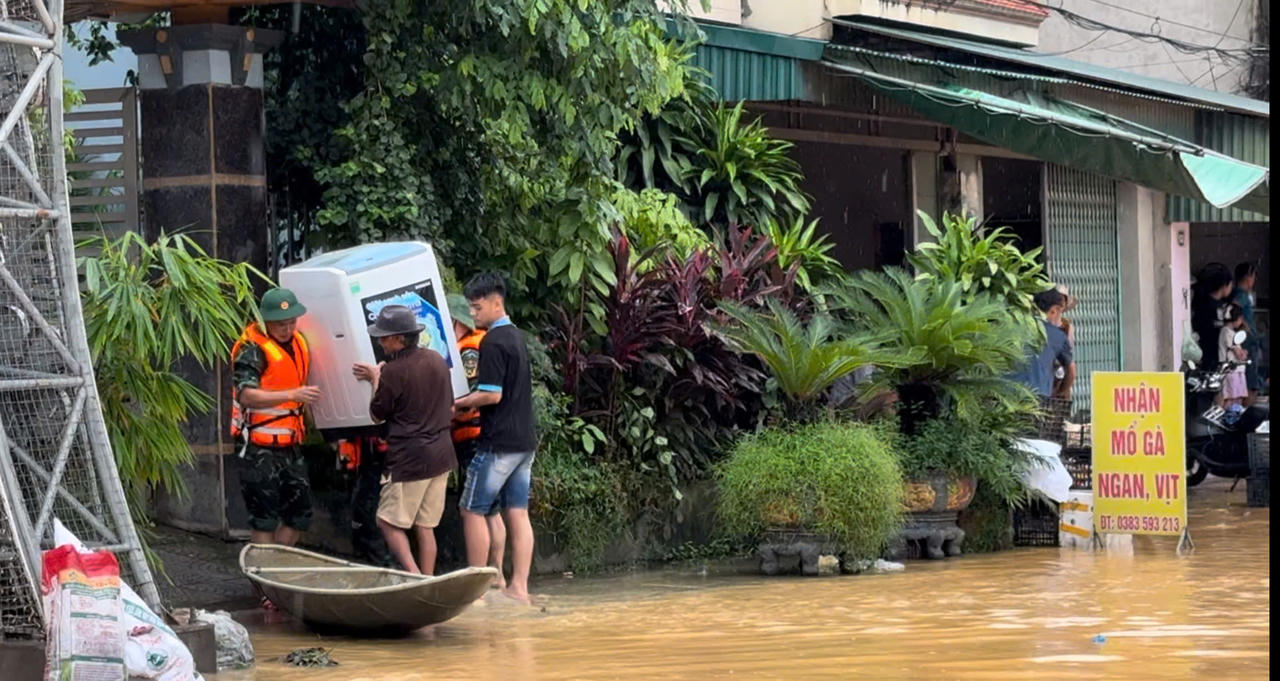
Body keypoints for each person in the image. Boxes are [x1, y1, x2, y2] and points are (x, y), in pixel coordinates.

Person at [353, 305, 457, 575]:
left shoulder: (394, 371)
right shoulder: (436, 359)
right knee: (425, 526)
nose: (380, 341)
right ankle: (429, 578)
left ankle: (414, 576)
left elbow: (377, 415)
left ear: (400, 338)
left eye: (385, 337)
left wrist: (376, 378)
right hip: (442, 453)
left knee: (387, 521)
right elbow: (450, 405)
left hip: (410, 459)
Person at [454, 273, 538, 604]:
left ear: (495, 302)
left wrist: (459, 403)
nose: (472, 315)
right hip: (524, 442)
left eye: (476, 308)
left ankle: (473, 591)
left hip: (499, 442)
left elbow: (491, 395)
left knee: (471, 510)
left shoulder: (492, 341)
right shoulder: (516, 336)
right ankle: (519, 587)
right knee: (517, 512)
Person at [230, 288, 320, 549]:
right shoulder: (252, 349)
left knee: (301, 515)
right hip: (258, 448)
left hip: (291, 445)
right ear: (265, 321)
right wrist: (292, 394)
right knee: (264, 520)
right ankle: (262, 585)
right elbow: (246, 395)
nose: (287, 328)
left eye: (291, 322)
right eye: (280, 324)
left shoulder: (299, 342)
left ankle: (275, 568)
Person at [449, 293, 508, 590]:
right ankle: (497, 574)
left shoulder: (469, 350)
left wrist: (452, 409)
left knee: (476, 508)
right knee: (492, 508)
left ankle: (484, 575)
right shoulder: (485, 342)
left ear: (457, 321)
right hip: (485, 437)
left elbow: (471, 394)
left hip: (473, 436)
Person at [1011, 288, 1076, 402]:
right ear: (1054, 310)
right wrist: (1060, 391)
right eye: (1060, 311)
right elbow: (1071, 371)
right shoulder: (1057, 335)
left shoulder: (1012, 326)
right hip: (1037, 399)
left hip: (1003, 395)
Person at [1190, 262, 1235, 372]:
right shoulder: (1204, 304)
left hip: (1212, 354)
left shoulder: (1212, 304)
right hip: (1208, 355)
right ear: (1225, 285)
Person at [1232, 263, 1262, 405]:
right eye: (1254, 276)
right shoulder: (1241, 295)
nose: (1254, 280)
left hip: (1247, 343)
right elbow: (1234, 306)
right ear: (1249, 277)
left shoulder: (1238, 293)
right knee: (1251, 385)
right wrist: (1244, 326)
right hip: (1248, 344)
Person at [1217, 303, 1249, 411]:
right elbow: (1238, 354)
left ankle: (1231, 419)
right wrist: (1243, 353)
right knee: (1231, 398)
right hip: (1231, 370)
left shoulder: (1229, 332)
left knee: (1235, 398)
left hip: (1235, 371)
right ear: (1237, 318)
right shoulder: (1227, 332)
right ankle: (1228, 420)